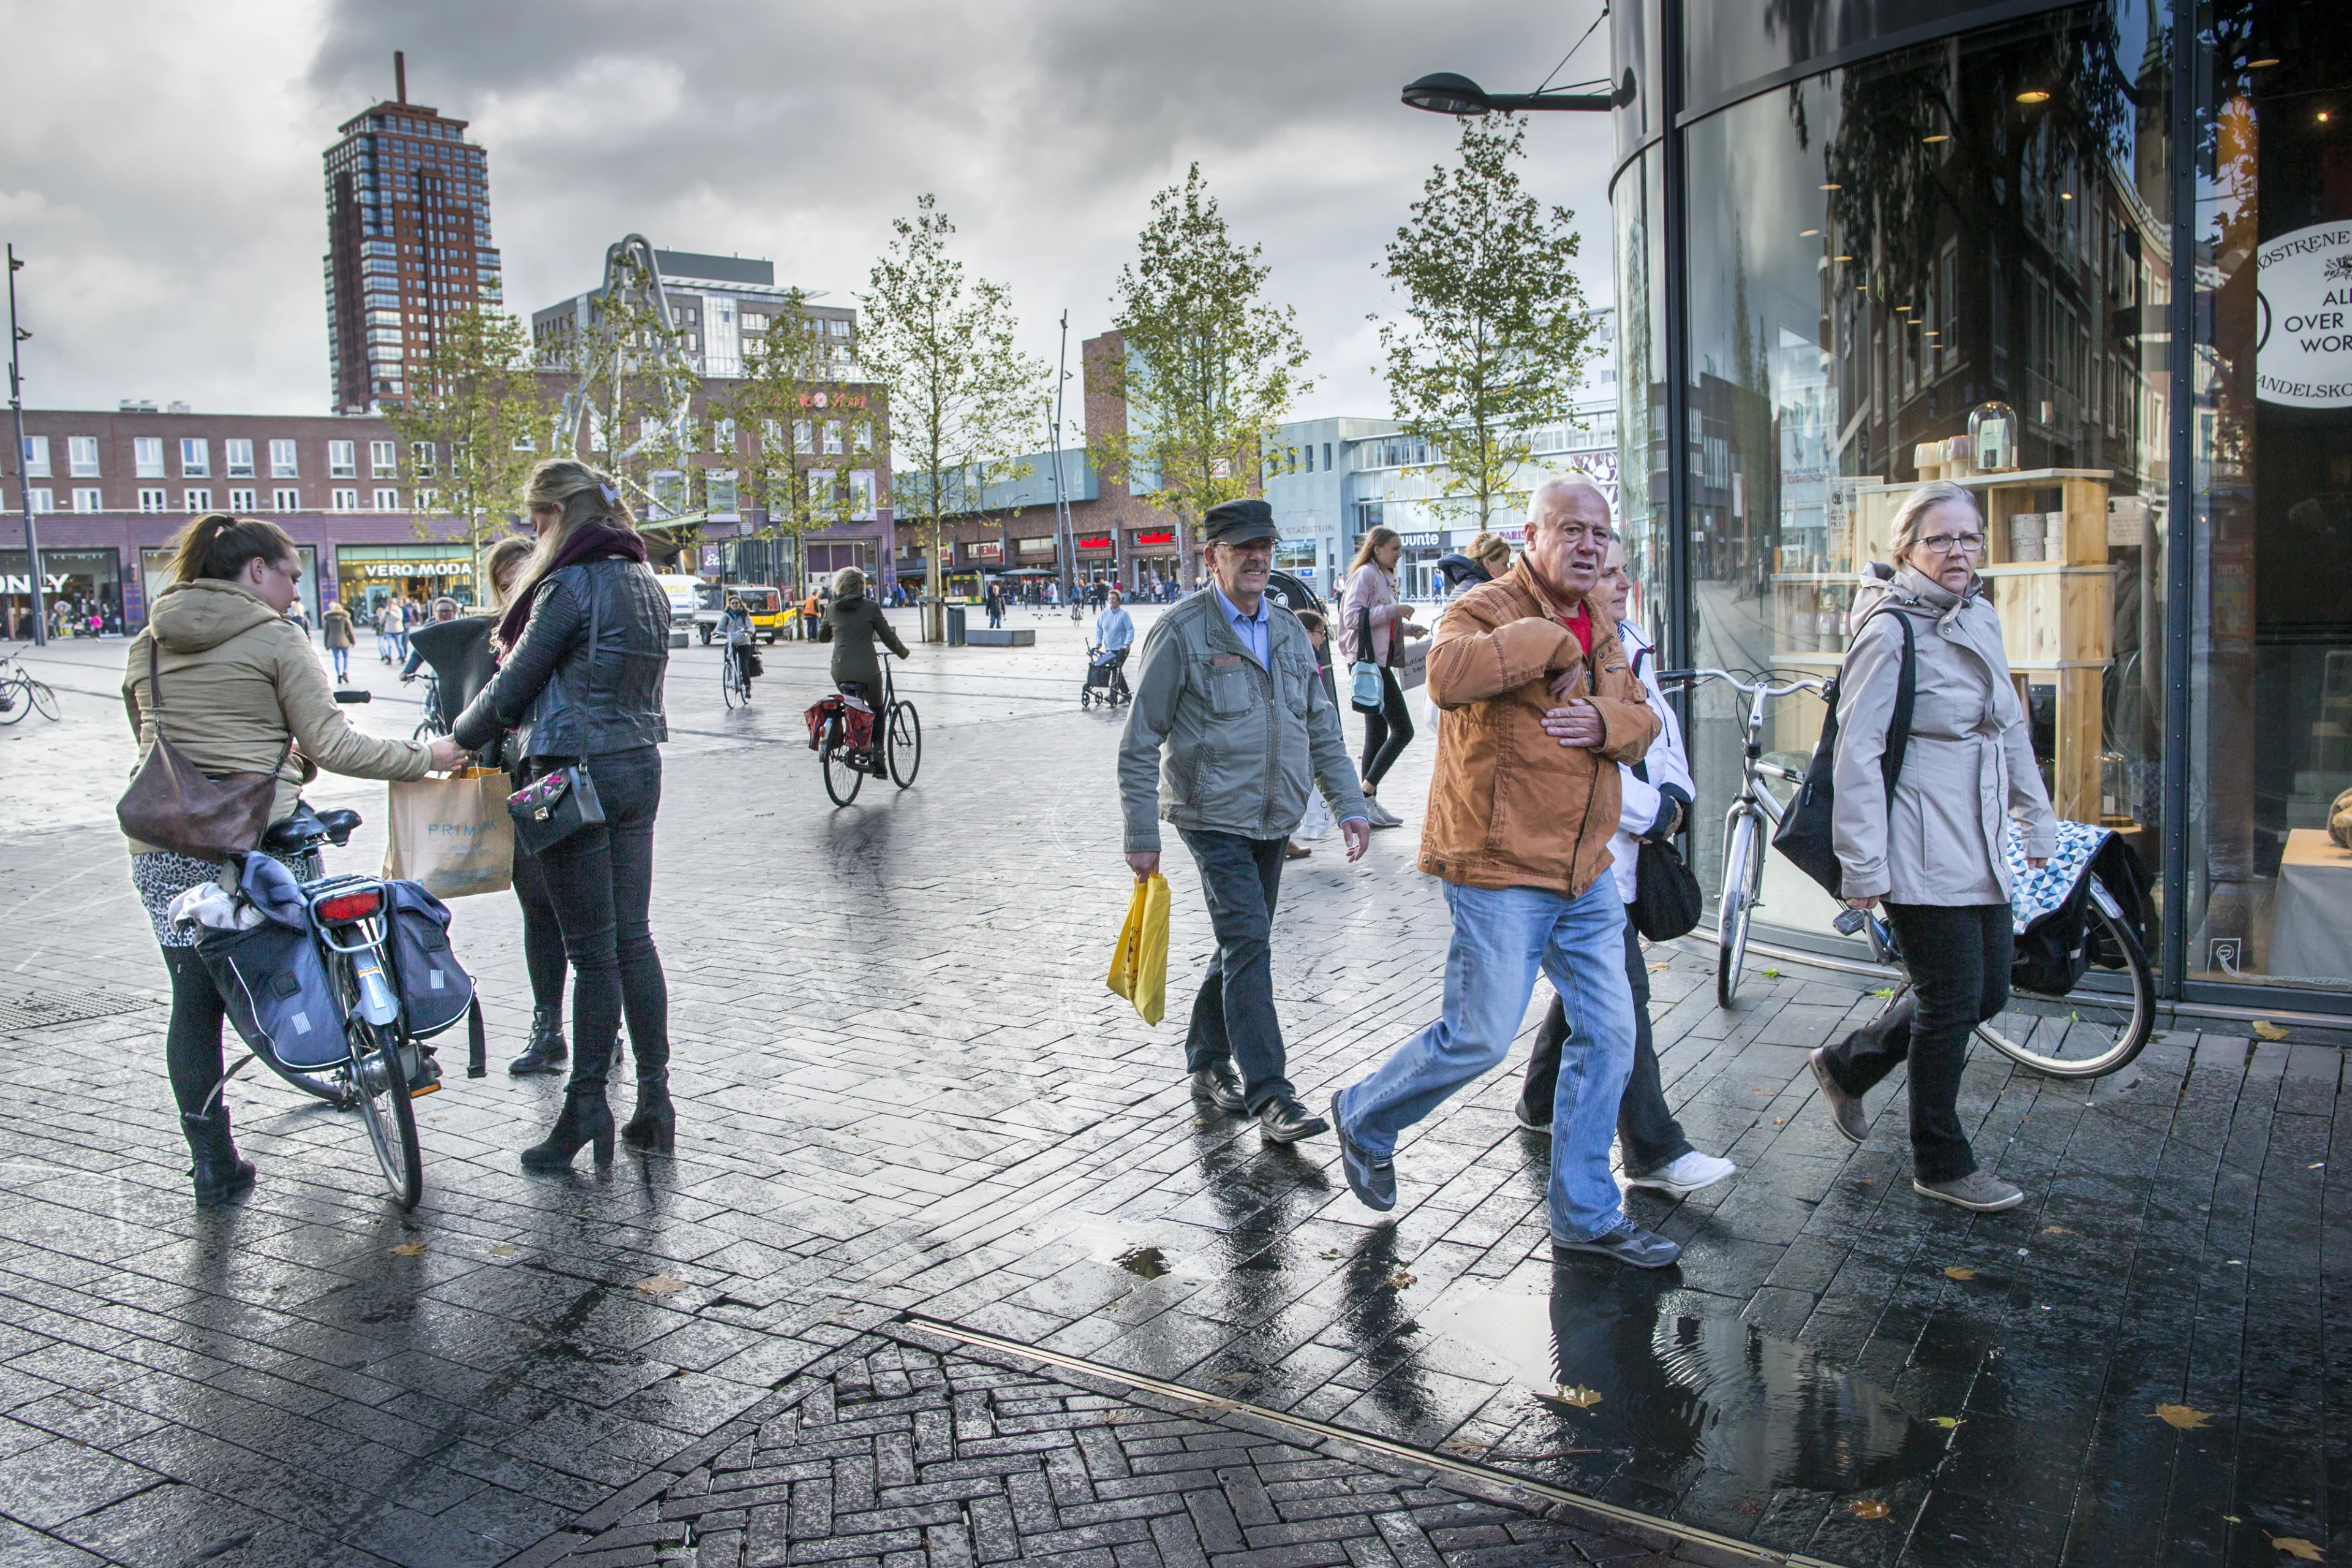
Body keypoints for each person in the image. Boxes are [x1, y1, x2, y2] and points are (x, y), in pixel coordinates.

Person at [1332, 479, 1679, 1268]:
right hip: (1499, 866)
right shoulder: (1484, 606)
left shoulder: (1603, 621)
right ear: (1532, 535)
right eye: (1571, 530)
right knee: (1482, 1037)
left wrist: (1603, 718)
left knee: (1611, 1034)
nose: (1589, 546)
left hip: (1584, 869)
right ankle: (1366, 1114)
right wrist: (1548, 643)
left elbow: (1643, 721)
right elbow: (1447, 676)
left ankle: (1586, 1213)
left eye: (1600, 533)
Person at [123, 513, 464, 1205]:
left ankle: (213, 1163)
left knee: (194, 1003)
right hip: (260, 842)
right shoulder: (277, 637)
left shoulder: (146, 643)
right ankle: (355, 1060)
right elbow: (335, 745)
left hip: (164, 846)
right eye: (290, 576)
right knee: (306, 964)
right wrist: (425, 755)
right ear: (256, 571)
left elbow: (153, 742)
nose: (294, 593)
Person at [1811, 480, 2056, 1213]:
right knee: (1950, 1000)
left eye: (1969, 537)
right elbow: (1857, 754)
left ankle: (1849, 1064)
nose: (1958, 551)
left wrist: (2036, 819)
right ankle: (1942, 1161)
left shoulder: (1979, 614)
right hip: (1915, 843)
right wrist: (1863, 865)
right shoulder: (1889, 632)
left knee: (1987, 990)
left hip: (1977, 836)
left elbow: (2009, 726)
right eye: (1940, 539)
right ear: (1907, 549)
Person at [1118, 499, 1372, 1142]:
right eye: (1243, 548)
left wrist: (1349, 803)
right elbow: (1140, 739)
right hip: (1210, 814)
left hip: (1273, 815)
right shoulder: (1182, 632)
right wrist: (1142, 834)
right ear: (1213, 557)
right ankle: (1271, 1094)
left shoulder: (1287, 630)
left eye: (1265, 546)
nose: (1258, 558)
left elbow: (1321, 726)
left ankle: (1206, 1060)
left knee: (1242, 940)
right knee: (1250, 942)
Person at [452, 461, 676, 1169]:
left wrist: (456, 737)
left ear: (554, 514)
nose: (534, 532)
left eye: (536, 518)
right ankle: (654, 1099)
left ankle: (585, 1107)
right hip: (637, 765)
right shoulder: (645, 580)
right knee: (633, 938)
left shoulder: (567, 584)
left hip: (569, 777)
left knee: (591, 952)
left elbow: (512, 687)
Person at [1515, 538, 1736, 1198]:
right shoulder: (1556, 655)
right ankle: (1654, 1151)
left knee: (1593, 990)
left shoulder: (1630, 643)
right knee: (1623, 1000)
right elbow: (1575, 764)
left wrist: (1677, 794)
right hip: (1587, 862)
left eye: (1622, 571)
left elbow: (1660, 731)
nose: (1618, 583)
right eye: (1603, 573)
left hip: (1631, 853)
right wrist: (1651, 811)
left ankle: (1537, 1102)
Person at [1340, 526, 1429, 829]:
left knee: (1376, 733)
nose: (1400, 554)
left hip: (1378, 661)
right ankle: (1365, 794)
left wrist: (1407, 629)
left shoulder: (1381, 576)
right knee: (1403, 730)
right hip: (1368, 662)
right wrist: (1393, 611)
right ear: (1377, 549)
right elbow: (1352, 618)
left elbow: (1378, 621)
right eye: (1395, 548)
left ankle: (1368, 804)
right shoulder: (1366, 575)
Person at [1286, 608, 1342, 861]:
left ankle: (1284, 838)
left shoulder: (1306, 656)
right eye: (1321, 633)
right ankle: (1284, 838)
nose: (1323, 638)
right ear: (1306, 632)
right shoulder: (1302, 658)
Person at [720, 594, 759, 697]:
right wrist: (715, 632)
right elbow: (720, 626)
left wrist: (750, 630)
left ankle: (747, 687)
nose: (735, 605)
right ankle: (730, 672)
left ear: (740, 604)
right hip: (732, 642)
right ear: (730, 605)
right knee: (729, 656)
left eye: (737, 603)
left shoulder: (744, 615)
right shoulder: (727, 615)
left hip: (744, 642)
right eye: (733, 603)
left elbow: (751, 626)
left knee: (744, 665)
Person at [320, 597, 354, 681]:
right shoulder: (344, 618)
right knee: (346, 657)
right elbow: (350, 630)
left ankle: (339, 675)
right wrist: (353, 641)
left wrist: (326, 645)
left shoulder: (328, 619)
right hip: (344, 641)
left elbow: (326, 633)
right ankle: (345, 672)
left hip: (332, 642)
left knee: (337, 658)